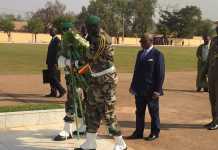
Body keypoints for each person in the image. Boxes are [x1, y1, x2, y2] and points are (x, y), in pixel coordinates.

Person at [74, 15, 127, 150]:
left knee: (107, 112)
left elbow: (89, 57)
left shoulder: (102, 39)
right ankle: (90, 143)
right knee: (91, 109)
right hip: (95, 77)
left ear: (94, 27)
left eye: (89, 27)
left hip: (106, 80)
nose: (87, 29)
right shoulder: (91, 36)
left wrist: (74, 62)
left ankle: (120, 143)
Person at [54, 22, 89, 141]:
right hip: (70, 76)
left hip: (80, 77)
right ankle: (83, 126)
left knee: (72, 101)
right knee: (76, 101)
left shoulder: (80, 43)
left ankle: (67, 129)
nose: (65, 34)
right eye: (63, 32)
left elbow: (86, 61)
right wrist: (65, 62)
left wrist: (75, 65)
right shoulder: (64, 44)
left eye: (67, 31)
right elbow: (60, 60)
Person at [127, 33, 165, 141]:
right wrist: (132, 86)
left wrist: (158, 90)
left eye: (143, 41)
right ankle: (138, 132)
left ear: (151, 41)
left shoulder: (158, 55)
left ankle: (154, 132)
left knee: (153, 112)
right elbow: (136, 71)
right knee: (139, 112)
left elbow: (161, 74)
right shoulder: (140, 54)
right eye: (141, 41)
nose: (141, 43)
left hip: (151, 90)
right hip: (139, 89)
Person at [45, 28, 66, 98]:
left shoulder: (57, 40)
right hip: (50, 62)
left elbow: (58, 53)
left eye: (51, 31)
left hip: (54, 62)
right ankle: (53, 92)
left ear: (55, 32)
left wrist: (55, 62)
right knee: (50, 77)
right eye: (50, 31)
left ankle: (62, 90)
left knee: (53, 77)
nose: (50, 32)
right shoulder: (52, 40)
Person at [206, 26, 218, 130]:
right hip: (212, 72)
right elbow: (210, 56)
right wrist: (206, 70)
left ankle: (217, 122)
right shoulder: (214, 40)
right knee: (212, 97)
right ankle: (214, 119)